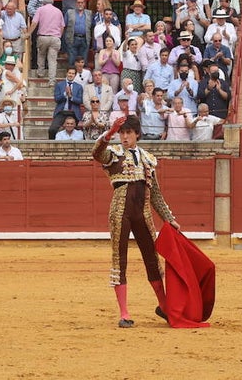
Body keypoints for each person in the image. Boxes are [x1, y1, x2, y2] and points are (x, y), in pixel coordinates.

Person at [91, 115, 180, 328]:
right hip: (120, 212)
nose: (124, 137)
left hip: (143, 213)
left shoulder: (148, 158)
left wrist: (170, 219)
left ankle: (164, 307)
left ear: (137, 134)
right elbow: (96, 153)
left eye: (128, 133)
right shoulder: (113, 154)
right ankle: (124, 313)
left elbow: (156, 194)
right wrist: (110, 132)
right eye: (121, 133)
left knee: (152, 259)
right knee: (119, 259)